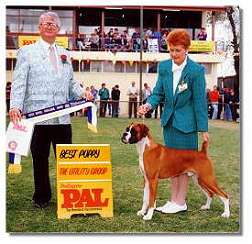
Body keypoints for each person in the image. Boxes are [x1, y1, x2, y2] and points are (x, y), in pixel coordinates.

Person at [9, 11, 92, 209]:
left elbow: (71, 83)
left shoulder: (66, 53)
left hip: (62, 118)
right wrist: (15, 106)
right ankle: (42, 197)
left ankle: (69, 194)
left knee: (66, 159)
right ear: (40, 27)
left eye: (53, 24)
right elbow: (19, 82)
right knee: (40, 158)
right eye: (46, 23)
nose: (49, 26)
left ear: (58, 29)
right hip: (38, 116)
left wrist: (83, 94)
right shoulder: (26, 52)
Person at [138, 29, 209, 214]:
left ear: (186, 49)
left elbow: (200, 101)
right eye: (171, 50)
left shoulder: (196, 71)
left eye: (177, 50)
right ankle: (173, 200)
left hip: (187, 125)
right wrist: (148, 105)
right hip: (169, 123)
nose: (174, 54)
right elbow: (158, 93)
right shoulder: (163, 67)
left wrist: (203, 128)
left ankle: (180, 201)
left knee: (184, 165)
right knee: (171, 165)